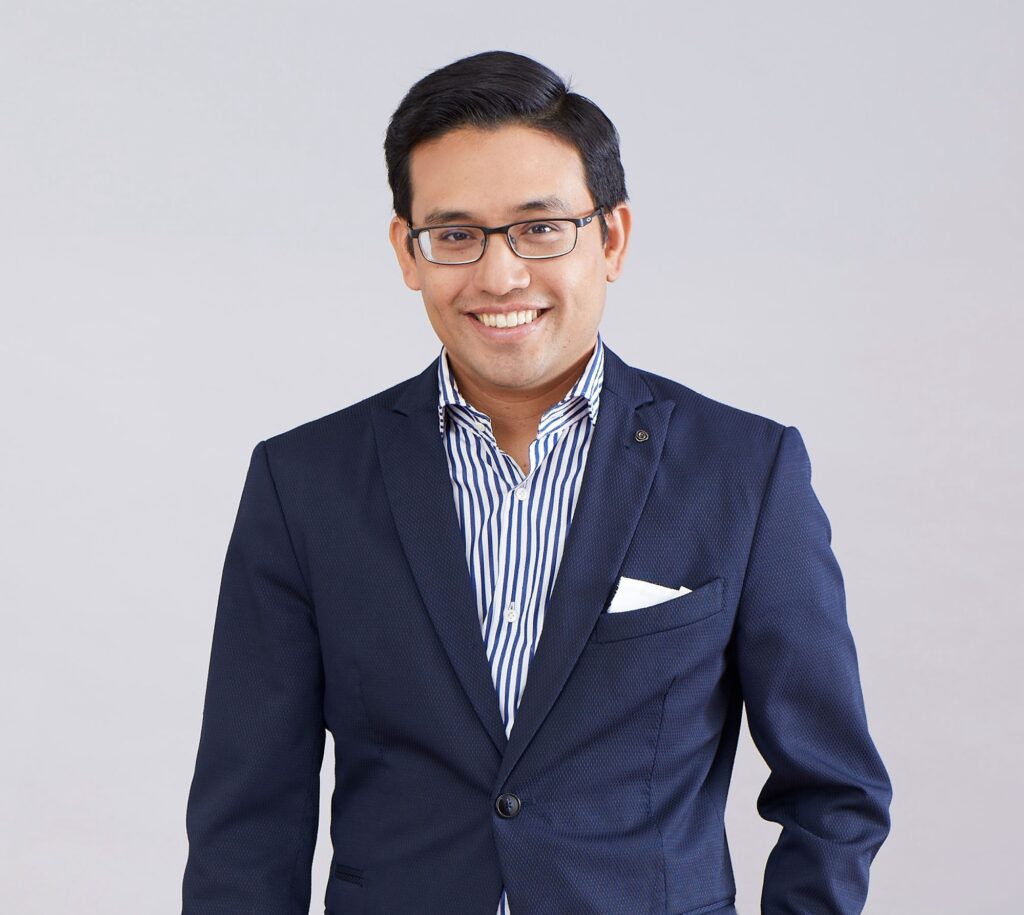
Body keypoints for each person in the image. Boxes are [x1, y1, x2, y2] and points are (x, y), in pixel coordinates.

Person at [181, 50, 892, 915]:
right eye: (456, 235)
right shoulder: (304, 483)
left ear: (612, 238)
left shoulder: (745, 471)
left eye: (540, 228)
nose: (500, 276)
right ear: (408, 252)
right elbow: (247, 825)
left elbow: (835, 793)